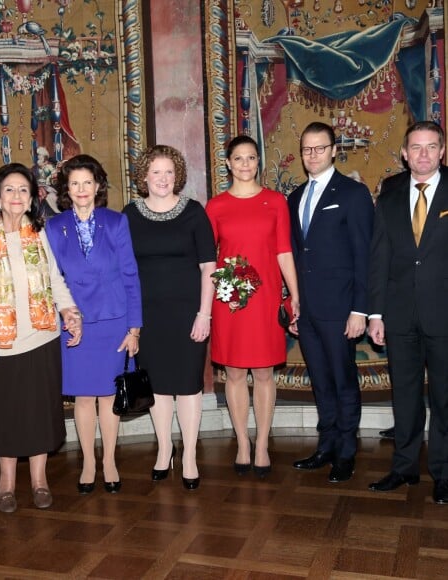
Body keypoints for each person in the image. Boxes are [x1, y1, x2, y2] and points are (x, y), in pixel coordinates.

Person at [0, 163, 82, 513]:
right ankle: (6, 483)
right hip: (0, 344)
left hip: (41, 337)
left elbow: (55, 277)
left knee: (39, 411)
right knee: (5, 413)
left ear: (32, 197)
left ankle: (39, 480)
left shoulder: (42, 233)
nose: (16, 196)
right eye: (9, 189)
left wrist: (69, 311)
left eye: (23, 189)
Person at [46, 154, 142, 494]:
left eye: (88, 182)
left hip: (113, 322)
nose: (82, 189)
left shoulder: (115, 222)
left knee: (108, 396)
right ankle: (88, 461)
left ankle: (110, 460)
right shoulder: (54, 227)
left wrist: (134, 328)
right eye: (75, 183)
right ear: (66, 190)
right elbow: (51, 278)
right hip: (75, 325)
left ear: (98, 186)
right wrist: (64, 314)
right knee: (84, 398)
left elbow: (131, 274)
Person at [205, 136, 299, 477]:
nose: (245, 164)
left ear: (258, 161)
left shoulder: (275, 201)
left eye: (251, 158)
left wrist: (295, 294)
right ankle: (242, 442)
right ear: (228, 163)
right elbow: (207, 260)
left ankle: (262, 444)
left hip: (266, 297)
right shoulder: (215, 206)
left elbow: (284, 251)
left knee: (263, 372)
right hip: (230, 300)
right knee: (232, 372)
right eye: (239, 158)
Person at [123, 145, 216, 490]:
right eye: (156, 172)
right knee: (158, 387)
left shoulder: (193, 212)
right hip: (147, 317)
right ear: (144, 176)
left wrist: (204, 314)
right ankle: (164, 452)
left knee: (189, 387)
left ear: (177, 176)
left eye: (169, 172)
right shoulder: (129, 214)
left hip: (189, 314)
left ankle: (189, 456)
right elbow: (122, 269)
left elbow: (209, 267)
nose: (163, 179)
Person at [287, 122, 374, 483]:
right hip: (306, 310)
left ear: (334, 150)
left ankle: (346, 452)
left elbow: (364, 255)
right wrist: (291, 303)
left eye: (319, 148)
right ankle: (326, 446)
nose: (312, 155)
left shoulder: (353, 193)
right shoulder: (294, 197)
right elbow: (292, 253)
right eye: (307, 149)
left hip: (341, 309)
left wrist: (360, 309)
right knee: (320, 381)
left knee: (343, 380)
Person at [368, 120, 448, 504]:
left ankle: (444, 474)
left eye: (431, 147)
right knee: (406, 395)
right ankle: (403, 469)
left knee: (445, 398)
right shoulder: (389, 194)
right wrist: (375, 314)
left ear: (442, 151)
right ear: (404, 152)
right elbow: (379, 257)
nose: (423, 154)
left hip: (444, 315)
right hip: (399, 315)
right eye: (416, 147)